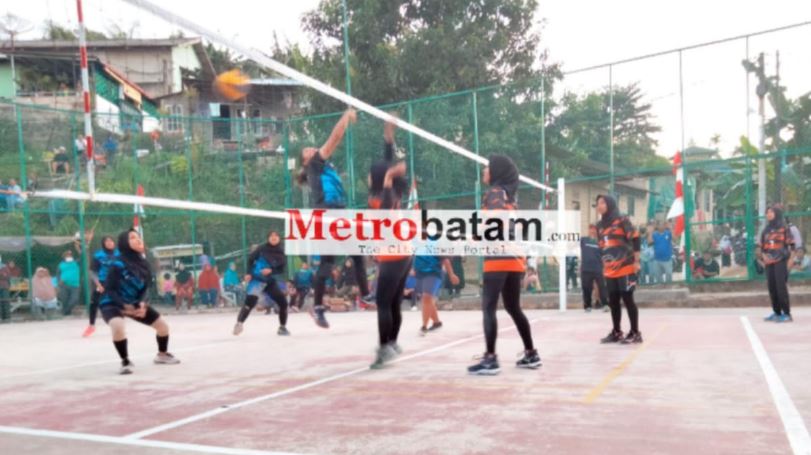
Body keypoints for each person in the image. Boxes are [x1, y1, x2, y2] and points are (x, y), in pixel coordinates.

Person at [297, 109, 371, 328]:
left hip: (338, 213)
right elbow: (334, 139)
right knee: (329, 263)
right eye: (307, 150)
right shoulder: (314, 164)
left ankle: (364, 295)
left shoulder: (325, 167)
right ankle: (320, 307)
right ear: (305, 161)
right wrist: (345, 117)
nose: (311, 149)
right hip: (327, 215)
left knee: (355, 255)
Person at [468, 155, 541, 375]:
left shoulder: (495, 192)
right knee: (512, 307)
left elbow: (494, 222)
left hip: (499, 257)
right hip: (514, 258)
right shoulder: (510, 196)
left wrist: (477, 235)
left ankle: (490, 360)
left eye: (487, 167)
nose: (484, 171)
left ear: (496, 171)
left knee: (489, 307)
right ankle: (531, 354)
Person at [101, 229, 180, 374]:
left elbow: (146, 288)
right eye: (132, 237)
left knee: (163, 327)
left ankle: (162, 355)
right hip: (112, 302)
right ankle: (125, 361)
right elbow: (109, 290)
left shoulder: (144, 263)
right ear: (124, 243)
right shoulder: (117, 264)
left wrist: (143, 304)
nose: (138, 240)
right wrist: (123, 306)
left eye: (138, 237)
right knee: (117, 325)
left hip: (134, 302)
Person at [367, 157, 411, 369]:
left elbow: (384, 211)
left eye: (369, 174)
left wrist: (388, 177)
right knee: (392, 303)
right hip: (403, 253)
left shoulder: (383, 197)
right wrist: (389, 141)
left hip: (393, 255)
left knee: (383, 304)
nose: (367, 177)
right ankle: (392, 343)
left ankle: (384, 348)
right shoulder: (393, 193)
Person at [596, 194, 643, 344]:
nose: (599, 206)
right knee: (613, 301)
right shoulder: (599, 225)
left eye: (602, 203)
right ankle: (616, 332)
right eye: (598, 203)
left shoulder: (622, 219)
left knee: (628, 299)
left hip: (626, 266)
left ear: (610, 204)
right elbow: (602, 246)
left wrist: (637, 261)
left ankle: (635, 333)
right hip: (610, 269)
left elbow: (636, 238)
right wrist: (604, 265)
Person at [233, 230, 290, 336]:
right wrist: (248, 273)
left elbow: (281, 269)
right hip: (257, 279)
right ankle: (239, 323)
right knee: (250, 302)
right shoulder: (262, 248)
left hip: (269, 281)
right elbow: (250, 260)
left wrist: (271, 270)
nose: (274, 237)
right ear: (268, 238)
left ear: (279, 238)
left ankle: (282, 328)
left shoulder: (281, 251)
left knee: (283, 303)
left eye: (276, 236)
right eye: (271, 236)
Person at [413, 244, 459, 336]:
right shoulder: (416, 242)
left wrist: (451, 274)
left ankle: (424, 327)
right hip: (419, 273)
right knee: (426, 299)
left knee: (426, 297)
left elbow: (445, 259)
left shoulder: (436, 242)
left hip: (434, 272)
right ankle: (436, 322)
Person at [760, 205, 795, 322]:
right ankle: (777, 312)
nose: (768, 214)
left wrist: (791, 260)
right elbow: (762, 247)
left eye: (771, 212)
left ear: (777, 214)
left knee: (781, 288)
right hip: (769, 262)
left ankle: (787, 314)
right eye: (767, 212)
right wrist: (764, 257)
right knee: (772, 287)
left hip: (781, 261)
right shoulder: (766, 230)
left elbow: (792, 245)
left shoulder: (784, 228)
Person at [83, 235, 119, 337]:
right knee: (94, 302)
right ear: (103, 243)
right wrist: (98, 284)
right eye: (107, 241)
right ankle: (91, 326)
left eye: (111, 241)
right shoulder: (98, 255)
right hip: (102, 282)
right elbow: (92, 271)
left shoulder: (119, 254)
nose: (109, 243)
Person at [580, 224, 608, 312]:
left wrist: (605, 268)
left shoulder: (600, 242)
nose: (592, 231)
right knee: (586, 288)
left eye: (594, 229)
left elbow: (604, 256)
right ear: (588, 230)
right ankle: (587, 306)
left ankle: (605, 305)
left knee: (602, 287)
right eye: (590, 229)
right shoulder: (583, 240)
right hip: (586, 268)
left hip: (598, 268)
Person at [57, 250, 81, 316]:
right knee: (64, 299)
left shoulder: (76, 262)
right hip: (64, 284)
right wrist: (59, 282)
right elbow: (58, 274)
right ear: (64, 257)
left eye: (70, 255)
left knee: (75, 299)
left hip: (75, 284)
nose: (69, 256)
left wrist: (79, 250)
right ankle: (67, 313)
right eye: (67, 255)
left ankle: (65, 311)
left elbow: (82, 257)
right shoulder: (61, 265)